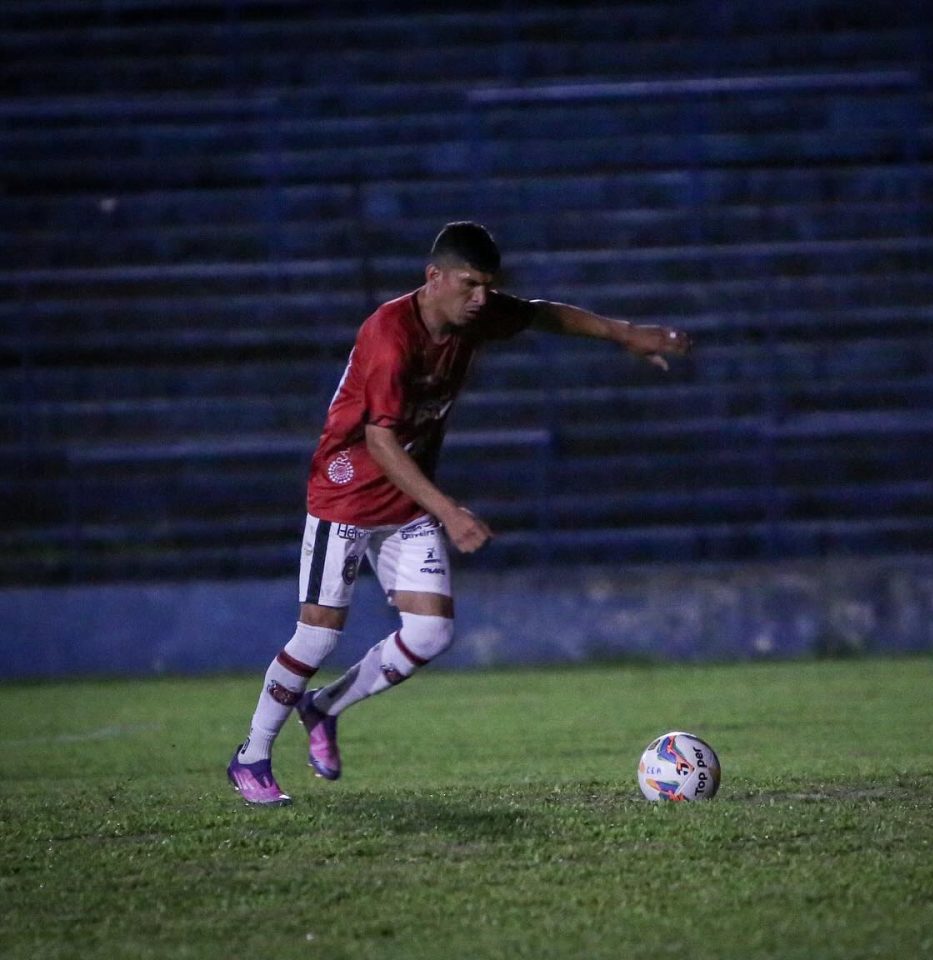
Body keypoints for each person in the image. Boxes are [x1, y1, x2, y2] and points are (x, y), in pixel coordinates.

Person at [228, 221, 691, 805]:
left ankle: (323, 708)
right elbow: (379, 441)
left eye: (487, 286)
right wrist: (449, 512)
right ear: (434, 277)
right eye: (470, 285)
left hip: (405, 496)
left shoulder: (476, 313)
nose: (481, 298)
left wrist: (626, 334)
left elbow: (542, 313)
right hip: (346, 495)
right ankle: (250, 757)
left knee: (432, 631)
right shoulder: (390, 336)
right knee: (317, 640)